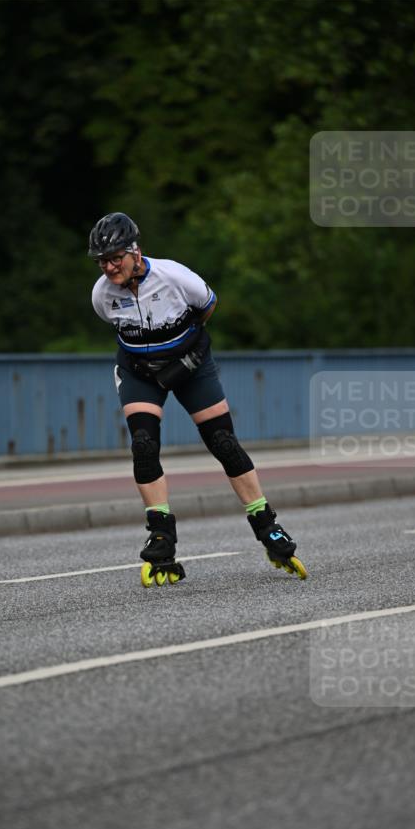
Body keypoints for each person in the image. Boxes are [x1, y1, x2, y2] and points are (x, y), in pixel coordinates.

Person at [89, 211, 303, 581]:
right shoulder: (102, 295)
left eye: (115, 258)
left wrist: (187, 356)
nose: (108, 267)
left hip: (190, 365)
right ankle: (160, 536)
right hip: (140, 371)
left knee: (222, 441)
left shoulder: (173, 276)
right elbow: (118, 328)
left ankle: (266, 524)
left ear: (135, 252)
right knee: (143, 443)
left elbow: (207, 308)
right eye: (102, 261)